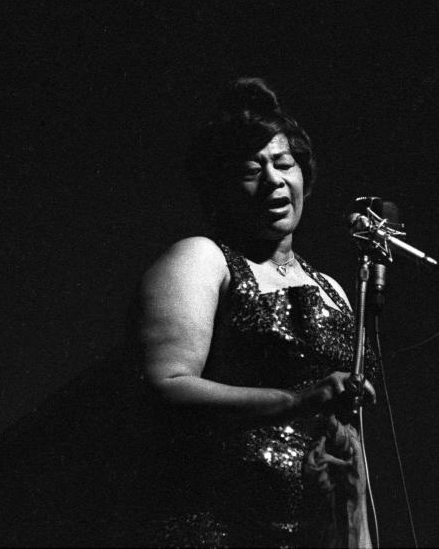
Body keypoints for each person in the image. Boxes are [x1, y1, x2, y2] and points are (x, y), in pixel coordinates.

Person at [134, 77, 377, 547]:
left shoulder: (331, 289)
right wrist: (299, 398)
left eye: (284, 163)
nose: (273, 180)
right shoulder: (202, 259)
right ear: (221, 188)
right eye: (251, 169)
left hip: (315, 531)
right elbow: (166, 386)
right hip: (219, 529)